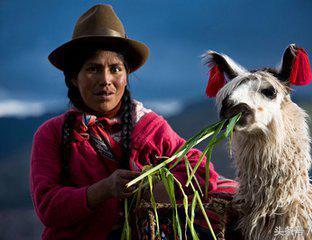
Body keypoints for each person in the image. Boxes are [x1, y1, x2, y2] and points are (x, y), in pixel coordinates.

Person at [30, 4, 237, 240]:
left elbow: (201, 173)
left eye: (115, 69)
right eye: (93, 69)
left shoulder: (149, 128)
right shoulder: (53, 134)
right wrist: (105, 189)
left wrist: (147, 193)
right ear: (74, 79)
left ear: (126, 77)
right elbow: (48, 207)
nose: (106, 80)